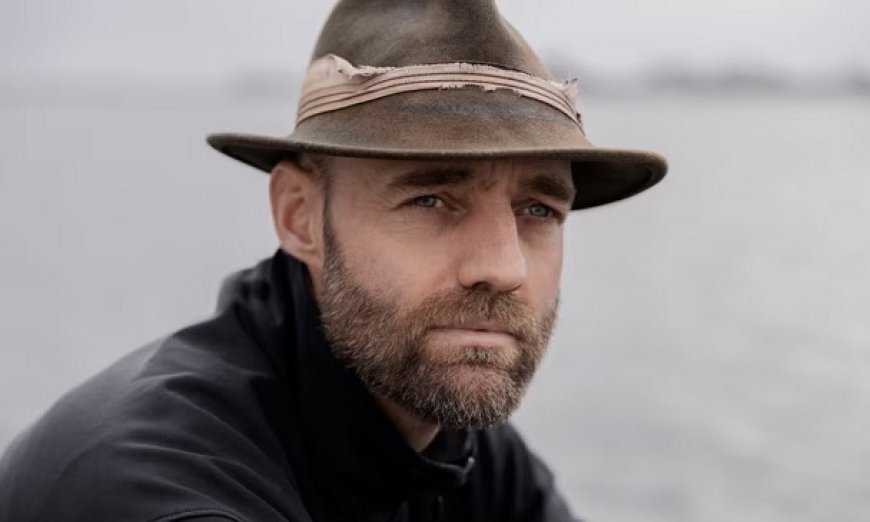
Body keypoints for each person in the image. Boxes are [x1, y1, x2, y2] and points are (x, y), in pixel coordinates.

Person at [0, 1, 666, 521]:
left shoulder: (455, 445)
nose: (503, 267)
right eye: (431, 199)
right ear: (299, 217)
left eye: (539, 210)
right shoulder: (159, 489)